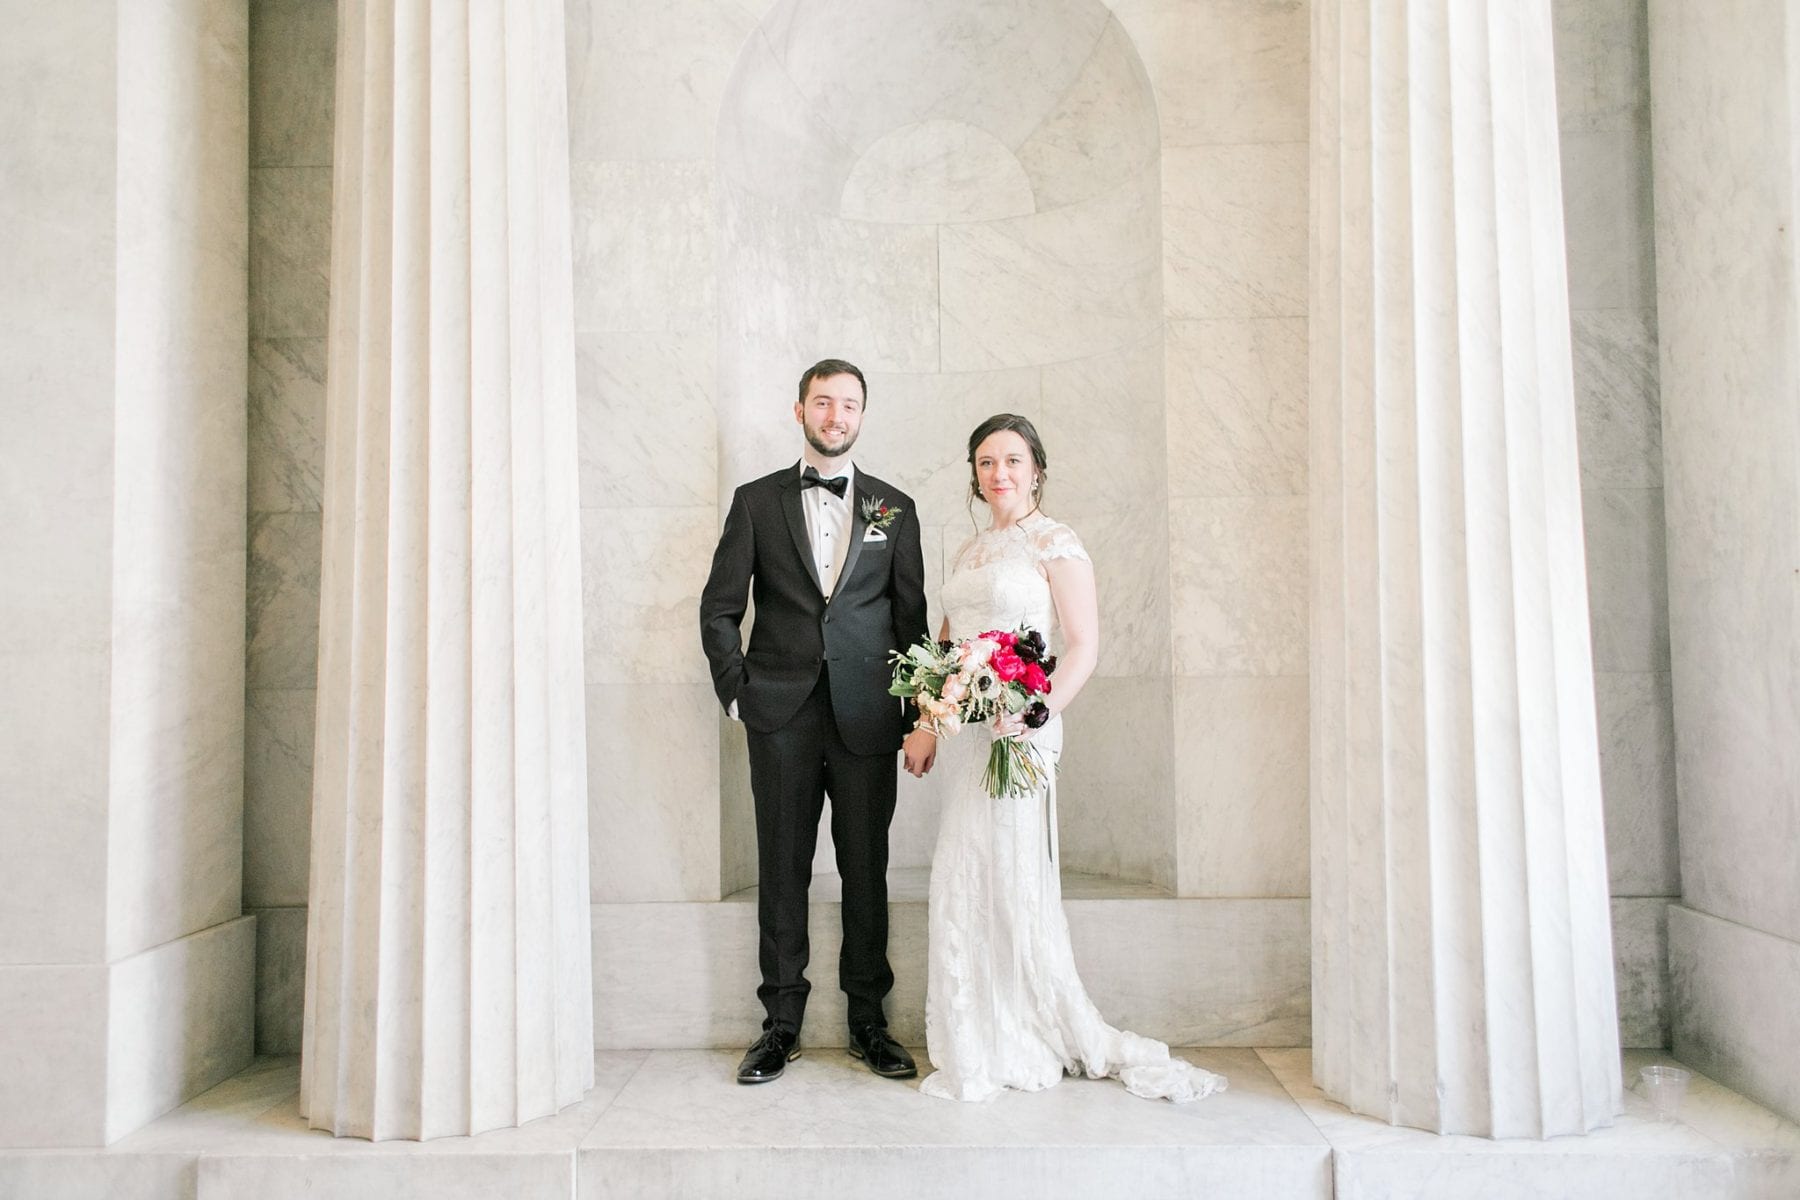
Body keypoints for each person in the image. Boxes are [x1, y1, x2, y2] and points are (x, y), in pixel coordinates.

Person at [906, 413, 1228, 1103]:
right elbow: (946, 640)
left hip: (1023, 731)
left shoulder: (1057, 544)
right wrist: (929, 721)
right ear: (975, 473)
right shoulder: (968, 553)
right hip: (969, 735)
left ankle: (1027, 1023)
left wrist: (1036, 710)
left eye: (1013, 461)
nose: (1000, 474)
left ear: (1037, 470)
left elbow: (1082, 642)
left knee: (1012, 870)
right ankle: (976, 1031)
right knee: (964, 868)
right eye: (987, 462)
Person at [699, 358, 937, 1085]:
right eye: (824, 402)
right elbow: (719, 609)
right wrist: (738, 692)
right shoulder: (755, 501)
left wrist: (922, 715)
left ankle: (869, 1021)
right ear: (798, 410)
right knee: (782, 870)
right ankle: (780, 1025)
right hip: (781, 715)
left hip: (869, 718)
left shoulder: (894, 508)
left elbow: (912, 619)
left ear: (863, 416)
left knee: (867, 870)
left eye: (850, 405)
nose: (837, 416)